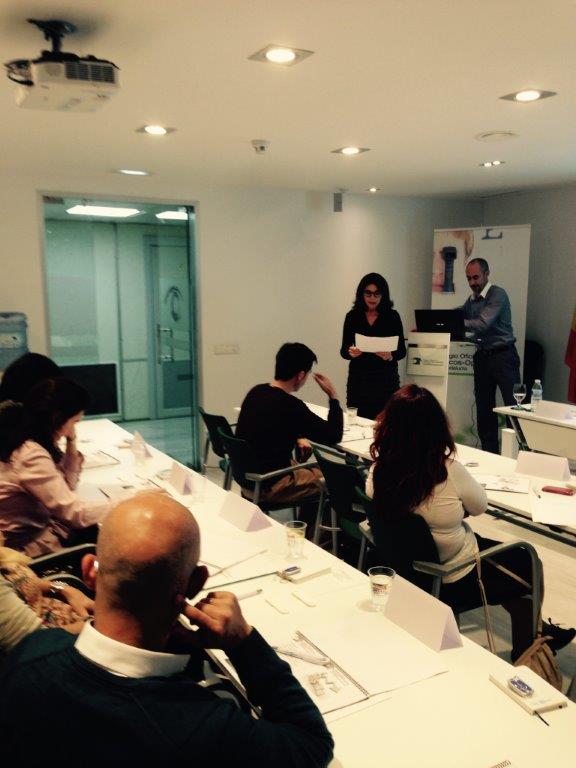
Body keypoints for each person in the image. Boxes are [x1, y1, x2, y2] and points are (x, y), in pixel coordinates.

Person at [0, 492, 334, 767]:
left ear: (89, 572)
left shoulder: (31, 654)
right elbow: (311, 744)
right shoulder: (205, 727)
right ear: (196, 584)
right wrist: (243, 643)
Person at [365, 384, 575, 661]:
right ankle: (527, 652)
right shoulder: (448, 470)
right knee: (527, 561)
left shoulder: (377, 471)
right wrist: (456, 511)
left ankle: (537, 631)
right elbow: (480, 507)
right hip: (451, 574)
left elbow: (409, 513)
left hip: (406, 566)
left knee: (511, 567)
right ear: (436, 428)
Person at [0, 378, 111, 556]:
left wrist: (71, 440)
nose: (73, 428)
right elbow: (73, 513)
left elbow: (66, 486)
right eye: (74, 422)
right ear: (57, 418)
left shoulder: (20, 435)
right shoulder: (29, 454)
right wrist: (127, 502)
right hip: (26, 551)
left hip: (31, 535)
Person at [235, 342, 343, 505]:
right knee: (336, 479)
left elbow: (273, 425)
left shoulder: (256, 392)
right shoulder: (291, 405)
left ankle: (308, 520)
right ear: (300, 375)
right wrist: (333, 396)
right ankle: (319, 523)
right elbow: (333, 435)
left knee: (315, 471)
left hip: (248, 480)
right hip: (270, 484)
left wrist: (298, 437)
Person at [461, 258, 521, 453]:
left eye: (476, 277)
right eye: (468, 278)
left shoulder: (497, 294)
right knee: (484, 410)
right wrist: (436, 323)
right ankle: (490, 455)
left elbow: (482, 324)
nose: (472, 282)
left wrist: (454, 322)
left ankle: (518, 455)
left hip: (503, 357)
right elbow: (459, 314)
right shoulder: (472, 300)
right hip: (483, 357)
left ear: (486, 274)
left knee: (514, 408)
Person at [340, 273, 406, 420]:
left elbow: (402, 351)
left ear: (383, 295)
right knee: (357, 422)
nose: (372, 298)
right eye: (368, 293)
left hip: (385, 380)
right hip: (359, 380)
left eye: (377, 294)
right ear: (361, 294)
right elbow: (343, 351)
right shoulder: (352, 316)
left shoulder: (392, 316)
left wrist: (391, 355)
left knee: (385, 423)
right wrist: (351, 352)